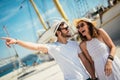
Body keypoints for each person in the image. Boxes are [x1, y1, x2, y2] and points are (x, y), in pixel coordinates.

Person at [1, 20, 96, 80]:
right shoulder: (53, 47)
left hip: (86, 77)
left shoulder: (74, 44)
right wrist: (17, 41)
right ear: (58, 32)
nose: (68, 29)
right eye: (66, 28)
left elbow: (85, 61)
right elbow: (36, 46)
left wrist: (93, 77)